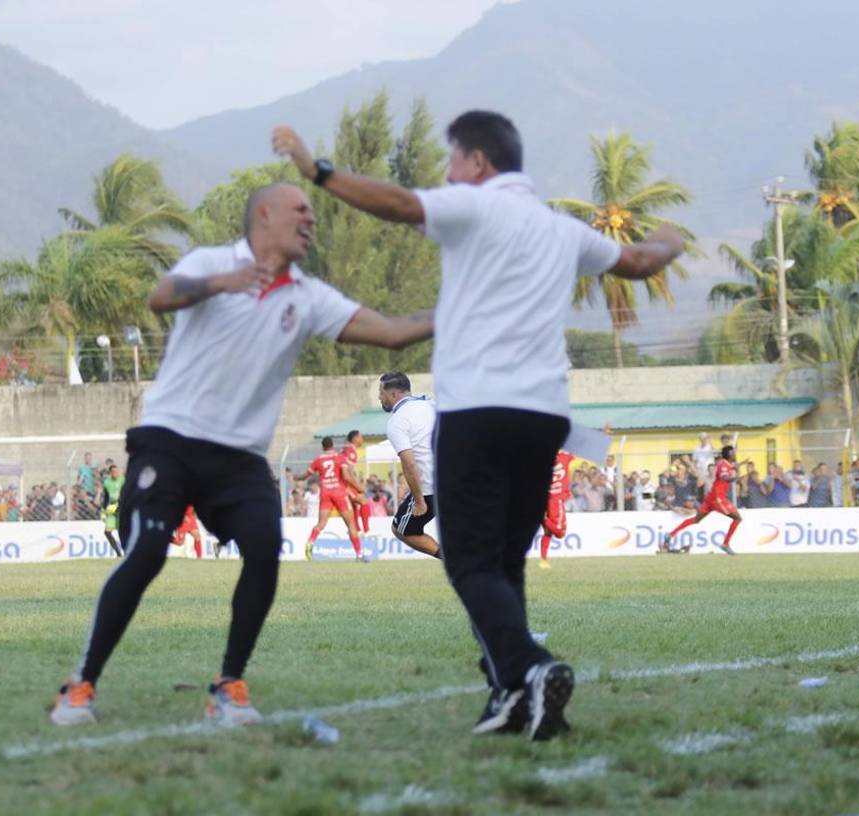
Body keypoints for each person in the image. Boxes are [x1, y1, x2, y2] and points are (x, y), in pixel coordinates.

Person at [273, 111, 685, 740]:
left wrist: (317, 170)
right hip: (544, 416)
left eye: (451, 160)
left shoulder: (474, 207)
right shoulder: (561, 228)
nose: (446, 174)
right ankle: (512, 697)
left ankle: (531, 669)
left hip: (478, 410)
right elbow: (639, 259)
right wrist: (671, 240)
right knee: (504, 562)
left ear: (478, 162)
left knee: (469, 563)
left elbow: (396, 204)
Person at [49, 182, 432, 727]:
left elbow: (392, 332)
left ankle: (229, 685)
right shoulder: (213, 263)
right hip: (171, 439)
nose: (311, 219)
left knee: (263, 545)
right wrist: (223, 283)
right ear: (265, 215)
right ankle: (81, 684)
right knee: (148, 552)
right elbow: (161, 296)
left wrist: (463, 309)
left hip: (239, 457)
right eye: (301, 210)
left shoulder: (307, 296)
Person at [378, 371, 441, 558]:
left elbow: (409, 462)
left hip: (429, 487)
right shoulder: (430, 404)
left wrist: (419, 501)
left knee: (402, 529)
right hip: (455, 477)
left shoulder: (397, 421)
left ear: (393, 395)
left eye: (381, 393)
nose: (379, 397)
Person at [664, 446, 741, 555]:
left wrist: (734, 469)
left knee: (696, 520)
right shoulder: (723, 464)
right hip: (718, 498)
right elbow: (724, 477)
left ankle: (670, 534)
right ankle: (725, 544)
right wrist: (733, 477)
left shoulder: (726, 464)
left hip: (712, 497)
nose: (734, 454)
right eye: (733, 452)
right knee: (737, 518)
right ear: (729, 454)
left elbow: (729, 472)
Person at [305, 437, 364, 562]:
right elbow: (346, 476)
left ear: (322, 447)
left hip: (325, 492)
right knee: (351, 524)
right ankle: (359, 554)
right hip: (339, 493)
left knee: (321, 524)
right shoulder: (339, 457)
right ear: (332, 445)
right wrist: (359, 488)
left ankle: (310, 541)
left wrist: (297, 477)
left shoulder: (318, 460)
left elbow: (307, 474)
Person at [538, 449, 576, 569]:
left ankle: (543, 560)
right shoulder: (564, 456)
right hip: (555, 499)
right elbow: (578, 449)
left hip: (545, 498)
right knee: (559, 531)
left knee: (548, 532)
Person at [341, 430, 372, 536]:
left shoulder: (347, 449)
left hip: (343, 483)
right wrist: (358, 487)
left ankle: (356, 529)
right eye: (360, 437)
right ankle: (366, 531)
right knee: (364, 501)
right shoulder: (351, 451)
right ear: (355, 438)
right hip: (343, 484)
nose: (362, 439)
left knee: (354, 503)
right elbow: (348, 473)